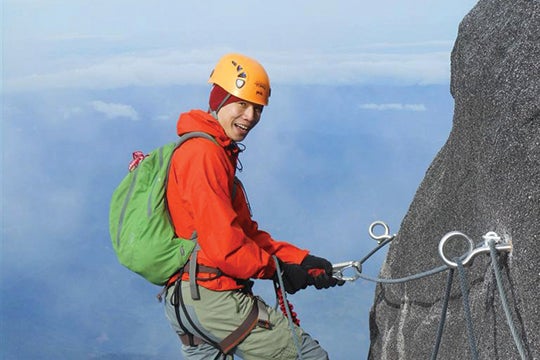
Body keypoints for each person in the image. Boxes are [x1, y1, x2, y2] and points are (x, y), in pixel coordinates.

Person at [163, 53, 342, 360]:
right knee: (309, 356)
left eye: (257, 108)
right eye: (242, 103)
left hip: (188, 301)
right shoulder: (204, 155)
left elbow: (244, 233)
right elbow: (225, 247)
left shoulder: (213, 151)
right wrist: (277, 270)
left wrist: (299, 260)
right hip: (213, 297)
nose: (250, 116)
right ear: (219, 100)